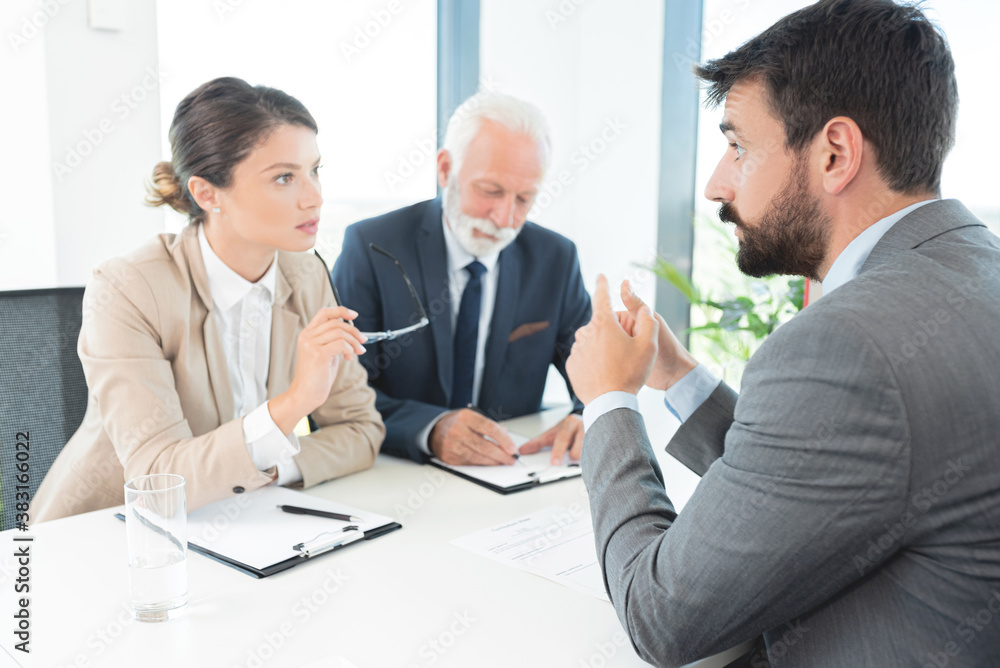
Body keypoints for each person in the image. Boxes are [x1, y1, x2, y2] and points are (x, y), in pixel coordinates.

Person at [566, 1, 1000, 666]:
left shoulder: (850, 344)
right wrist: (677, 376)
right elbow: (829, 474)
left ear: (835, 154)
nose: (716, 184)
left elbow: (660, 616)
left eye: (738, 147)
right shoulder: (975, 268)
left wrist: (607, 401)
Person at [31, 78, 384, 523]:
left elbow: (361, 431)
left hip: (236, 524)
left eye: (315, 170)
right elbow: (156, 482)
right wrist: (293, 404)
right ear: (206, 193)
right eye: (284, 177)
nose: (315, 197)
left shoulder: (307, 275)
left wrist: (268, 467)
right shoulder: (128, 288)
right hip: (106, 531)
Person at [332, 93, 591, 466]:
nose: (505, 218)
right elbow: (340, 393)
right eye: (490, 191)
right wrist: (430, 428)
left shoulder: (555, 259)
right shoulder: (372, 248)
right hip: (397, 470)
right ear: (445, 169)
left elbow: (594, 374)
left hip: (511, 472)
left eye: (524, 199)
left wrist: (587, 416)